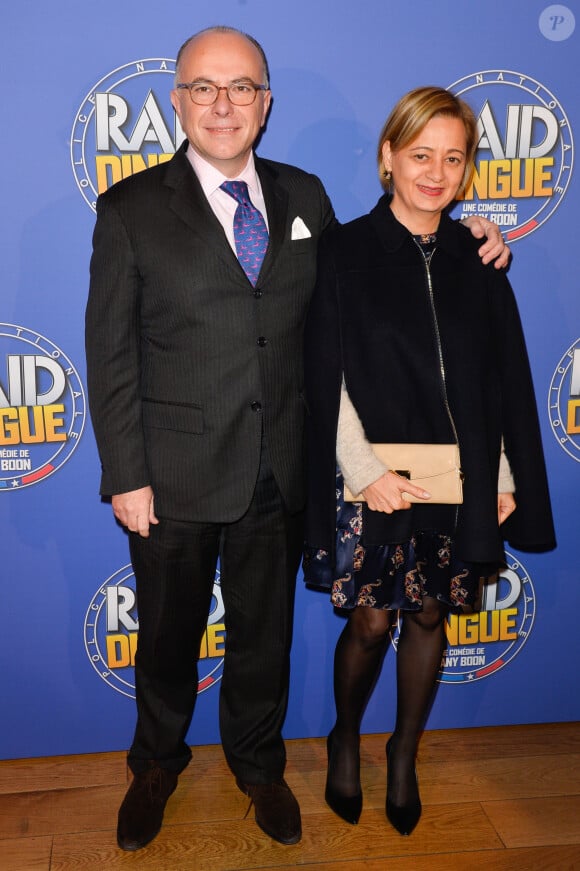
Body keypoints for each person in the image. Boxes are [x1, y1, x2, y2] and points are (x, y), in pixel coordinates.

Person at [85, 25, 509, 850]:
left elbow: (384, 262)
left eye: (242, 87)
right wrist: (126, 474)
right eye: (203, 87)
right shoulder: (130, 209)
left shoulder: (306, 197)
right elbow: (110, 357)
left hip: (280, 470)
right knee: (168, 638)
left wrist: (472, 233)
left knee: (263, 638)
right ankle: (157, 766)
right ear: (176, 101)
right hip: (169, 476)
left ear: (266, 103)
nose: (223, 104)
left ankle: (256, 764)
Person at [303, 86, 555, 837]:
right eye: (420, 155)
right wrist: (363, 469)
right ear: (388, 158)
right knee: (374, 620)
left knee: (432, 613)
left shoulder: (479, 261)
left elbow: (496, 379)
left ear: (469, 169)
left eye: (453, 158)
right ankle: (345, 737)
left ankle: (404, 752)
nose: (435, 173)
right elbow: (322, 374)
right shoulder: (341, 251)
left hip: (459, 480)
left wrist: (503, 474)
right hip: (372, 478)